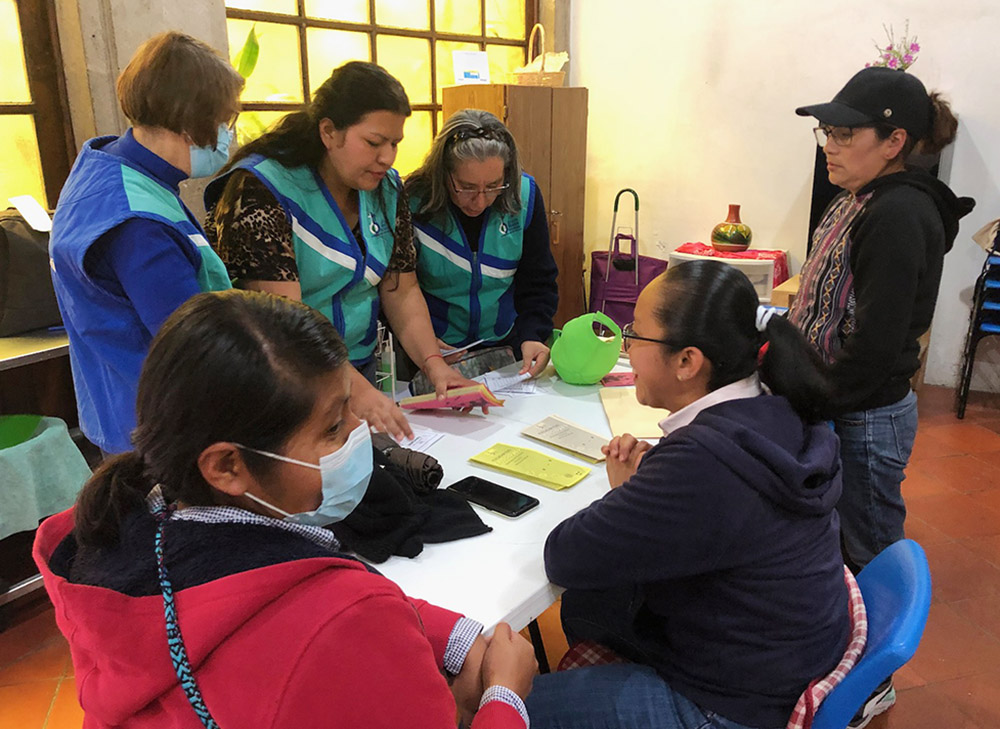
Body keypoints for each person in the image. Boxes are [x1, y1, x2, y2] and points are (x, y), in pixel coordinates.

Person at [33, 289, 538, 728]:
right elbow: (347, 621)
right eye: (333, 428)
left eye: (351, 409)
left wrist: (454, 636)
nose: (360, 435)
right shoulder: (339, 622)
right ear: (228, 466)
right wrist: (504, 696)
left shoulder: (123, 538)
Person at [525, 261, 850, 729]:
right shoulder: (774, 405)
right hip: (782, 657)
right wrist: (646, 493)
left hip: (730, 704)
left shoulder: (704, 463)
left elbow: (564, 556)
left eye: (636, 334)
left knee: (493, 706)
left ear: (687, 362)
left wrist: (634, 493)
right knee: (590, 608)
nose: (626, 347)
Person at [205, 62, 473, 440]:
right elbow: (285, 321)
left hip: (358, 371)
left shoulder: (387, 191)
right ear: (329, 132)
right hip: (286, 384)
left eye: (395, 143)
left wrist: (434, 365)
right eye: (374, 143)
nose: (388, 158)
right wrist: (355, 392)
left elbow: (401, 289)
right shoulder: (262, 191)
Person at [791, 67, 975, 573]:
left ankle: (876, 644)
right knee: (839, 540)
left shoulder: (898, 214)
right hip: (840, 402)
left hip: (865, 416)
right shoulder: (856, 197)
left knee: (870, 548)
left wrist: (812, 395)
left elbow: (875, 345)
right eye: (827, 132)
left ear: (895, 141)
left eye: (846, 134)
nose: (830, 144)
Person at [49, 32, 243, 454]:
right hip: (164, 429)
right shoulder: (138, 223)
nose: (230, 136)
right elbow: (194, 345)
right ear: (191, 122)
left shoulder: (105, 166)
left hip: (121, 407)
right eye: (225, 122)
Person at [404, 109, 558, 377]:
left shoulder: (524, 195)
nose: (480, 201)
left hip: (505, 347)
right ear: (442, 173)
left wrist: (533, 333)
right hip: (434, 351)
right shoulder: (412, 201)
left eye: (494, 186)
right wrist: (424, 347)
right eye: (466, 187)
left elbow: (538, 280)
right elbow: (399, 290)